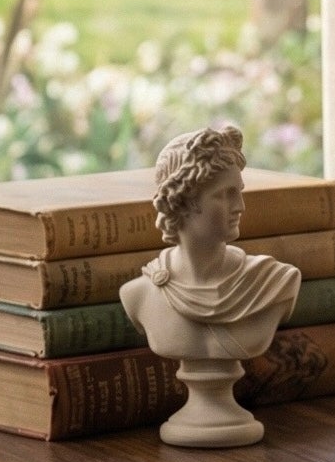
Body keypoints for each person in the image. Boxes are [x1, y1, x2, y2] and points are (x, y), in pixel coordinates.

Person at [122, 123, 300, 365]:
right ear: (181, 200)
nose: (240, 206)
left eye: (239, 192)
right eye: (224, 194)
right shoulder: (139, 295)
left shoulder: (273, 282)